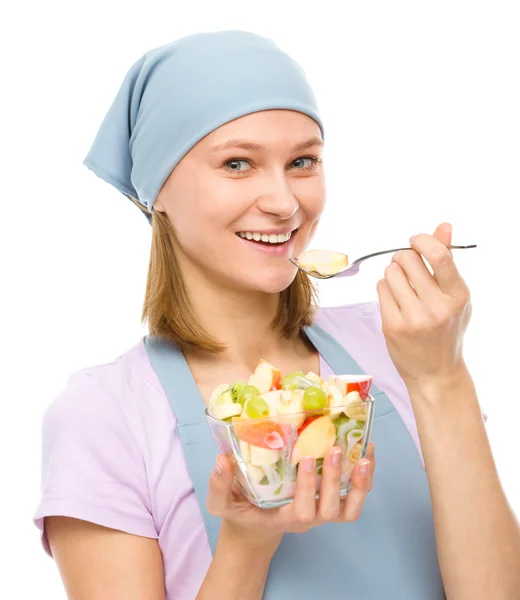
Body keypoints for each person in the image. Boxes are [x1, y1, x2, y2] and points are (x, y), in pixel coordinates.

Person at [33, 30, 520, 600]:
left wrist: (443, 379)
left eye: (303, 161)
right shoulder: (105, 414)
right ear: (156, 191)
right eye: (237, 163)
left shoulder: (401, 341)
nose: (285, 202)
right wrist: (246, 542)